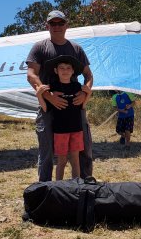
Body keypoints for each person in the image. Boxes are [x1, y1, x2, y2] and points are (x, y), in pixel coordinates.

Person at [26, 10, 94, 181]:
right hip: (49, 107)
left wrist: (84, 93)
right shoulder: (40, 47)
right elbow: (31, 74)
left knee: (83, 148)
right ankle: (46, 188)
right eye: (53, 23)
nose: (57, 26)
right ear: (47, 26)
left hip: (74, 107)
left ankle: (85, 186)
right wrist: (48, 96)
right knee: (47, 150)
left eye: (60, 23)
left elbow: (88, 75)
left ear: (66, 25)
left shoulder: (76, 49)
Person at [35, 55, 84, 180]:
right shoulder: (52, 88)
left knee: (75, 160)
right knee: (61, 160)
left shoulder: (77, 86)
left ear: (73, 71)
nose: (65, 70)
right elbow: (45, 108)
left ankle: (76, 185)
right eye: (61, 68)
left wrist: (88, 93)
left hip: (76, 129)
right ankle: (59, 186)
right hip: (60, 131)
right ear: (56, 71)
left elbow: (83, 106)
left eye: (68, 68)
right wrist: (39, 94)